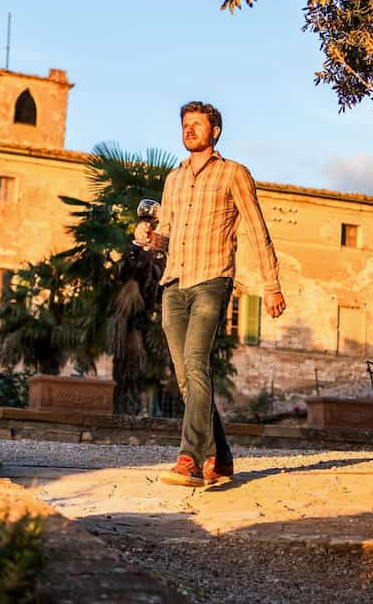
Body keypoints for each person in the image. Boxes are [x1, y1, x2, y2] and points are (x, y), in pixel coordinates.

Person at [135, 101, 286, 487]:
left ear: (214, 131)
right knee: (186, 378)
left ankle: (190, 457)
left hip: (212, 280)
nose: (189, 130)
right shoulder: (173, 179)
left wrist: (271, 286)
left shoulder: (234, 173)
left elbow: (256, 228)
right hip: (174, 283)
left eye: (197, 125)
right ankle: (219, 459)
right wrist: (151, 239)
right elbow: (166, 235)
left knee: (197, 363)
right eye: (185, 125)